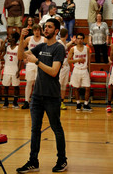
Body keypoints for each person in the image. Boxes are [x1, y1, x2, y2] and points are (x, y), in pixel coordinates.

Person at [16, 18, 67, 173]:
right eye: (46, 27)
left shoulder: (59, 48)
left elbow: (53, 72)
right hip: (37, 95)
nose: (46, 29)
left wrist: (37, 61)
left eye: (50, 27)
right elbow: (20, 56)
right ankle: (33, 161)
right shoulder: (41, 46)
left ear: (56, 31)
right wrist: (21, 38)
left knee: (56, 128)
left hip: (52, 96)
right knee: (35, 129)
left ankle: (62, 160)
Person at [21, 24, 45, 109]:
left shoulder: (44, 39)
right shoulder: (28, 39)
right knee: (29, 82)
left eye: (38, 30)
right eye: (35, 30)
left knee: (39, 83)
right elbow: (21, 48)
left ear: (40, 31)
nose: (36, 32)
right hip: (30, 63)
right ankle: (26, 101)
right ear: (33, 31)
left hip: (39, 63)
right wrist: (24, 57)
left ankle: (38, 101)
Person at [68, 33, 92, 111]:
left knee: (87, 88)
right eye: (78, 38)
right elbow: (69, 60)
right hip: (76, 69)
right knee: (76, 88)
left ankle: (85, 104)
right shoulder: (73, 49)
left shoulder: (87, 48)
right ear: (76, 39)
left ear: (83, 39)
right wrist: (78, 60)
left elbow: (89, 61)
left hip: (85, 70)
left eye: (81, 38)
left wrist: (89, 71)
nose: (80, 40)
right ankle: (78, 103)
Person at [2, 32, 21, 108]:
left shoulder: (18, 48)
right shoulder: (7, 47)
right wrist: (5, 41)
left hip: (14, 69)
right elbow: (0, 49)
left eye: (9, 37)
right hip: (7, 69)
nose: (8, 38)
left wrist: (18, 70)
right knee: (5, 86)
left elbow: (20, 60)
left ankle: (15, 102)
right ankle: (6, 102)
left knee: (16, 86)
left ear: (14, 39)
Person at [58, 28, 76, 110]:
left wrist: (71, 42)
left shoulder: (63, 43)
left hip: (65, 67)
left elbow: (65, 46)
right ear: (67, 35)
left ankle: (61, 102)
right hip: (61, 67)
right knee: (59, 85)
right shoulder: (59, 43)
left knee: (64, 85)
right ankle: (56, 102)